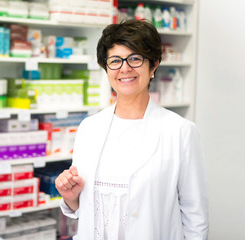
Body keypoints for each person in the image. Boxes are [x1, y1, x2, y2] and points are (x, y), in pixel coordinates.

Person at [55, 19, 209, 239]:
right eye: (115, 61)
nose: (125, 68)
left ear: (153, 65)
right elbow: (87, 205)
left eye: (135, 59)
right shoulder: (89, 128)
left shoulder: (180, 131)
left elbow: (196, 217)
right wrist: (71, 197)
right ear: (106, 68)